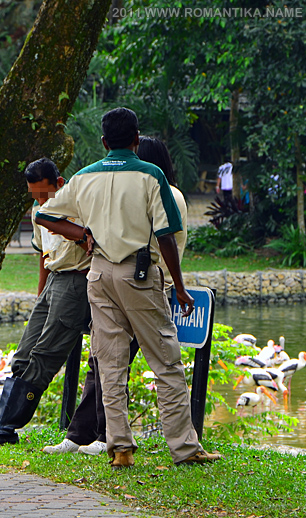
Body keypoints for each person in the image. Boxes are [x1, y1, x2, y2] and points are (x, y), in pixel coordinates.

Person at [35, 108, 221, 467]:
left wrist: (81, 234)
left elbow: (44, 214)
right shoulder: (151, 175)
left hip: (99, 275)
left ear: (104, 142)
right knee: (165, 361)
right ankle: (185, 448)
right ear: (136, 138)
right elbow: (166, 235)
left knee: (110, 362)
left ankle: (120, 448)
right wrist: (179, 287)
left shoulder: (85, 176)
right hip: (138, 275)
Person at [43, 136, 188, 456]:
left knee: (121, 362)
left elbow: (168, 241)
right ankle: (88, 435)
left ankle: (100, 436)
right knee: (105, 360)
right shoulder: (137, 187)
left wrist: (173, 284)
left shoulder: (161, 192)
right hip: (126, 280)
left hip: (142, 281)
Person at [0, 157, 91, 446]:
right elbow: (43, 255)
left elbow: (92, 242)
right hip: (53, 281)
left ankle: (9, 426)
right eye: (34, 195)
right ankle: (0, 427)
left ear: (59, 184)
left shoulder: (76, 203)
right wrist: (41, 294)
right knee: (23, 355)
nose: (39, 200)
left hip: (76, 280)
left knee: (45, 354)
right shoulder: (39, 209)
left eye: (44, 193)